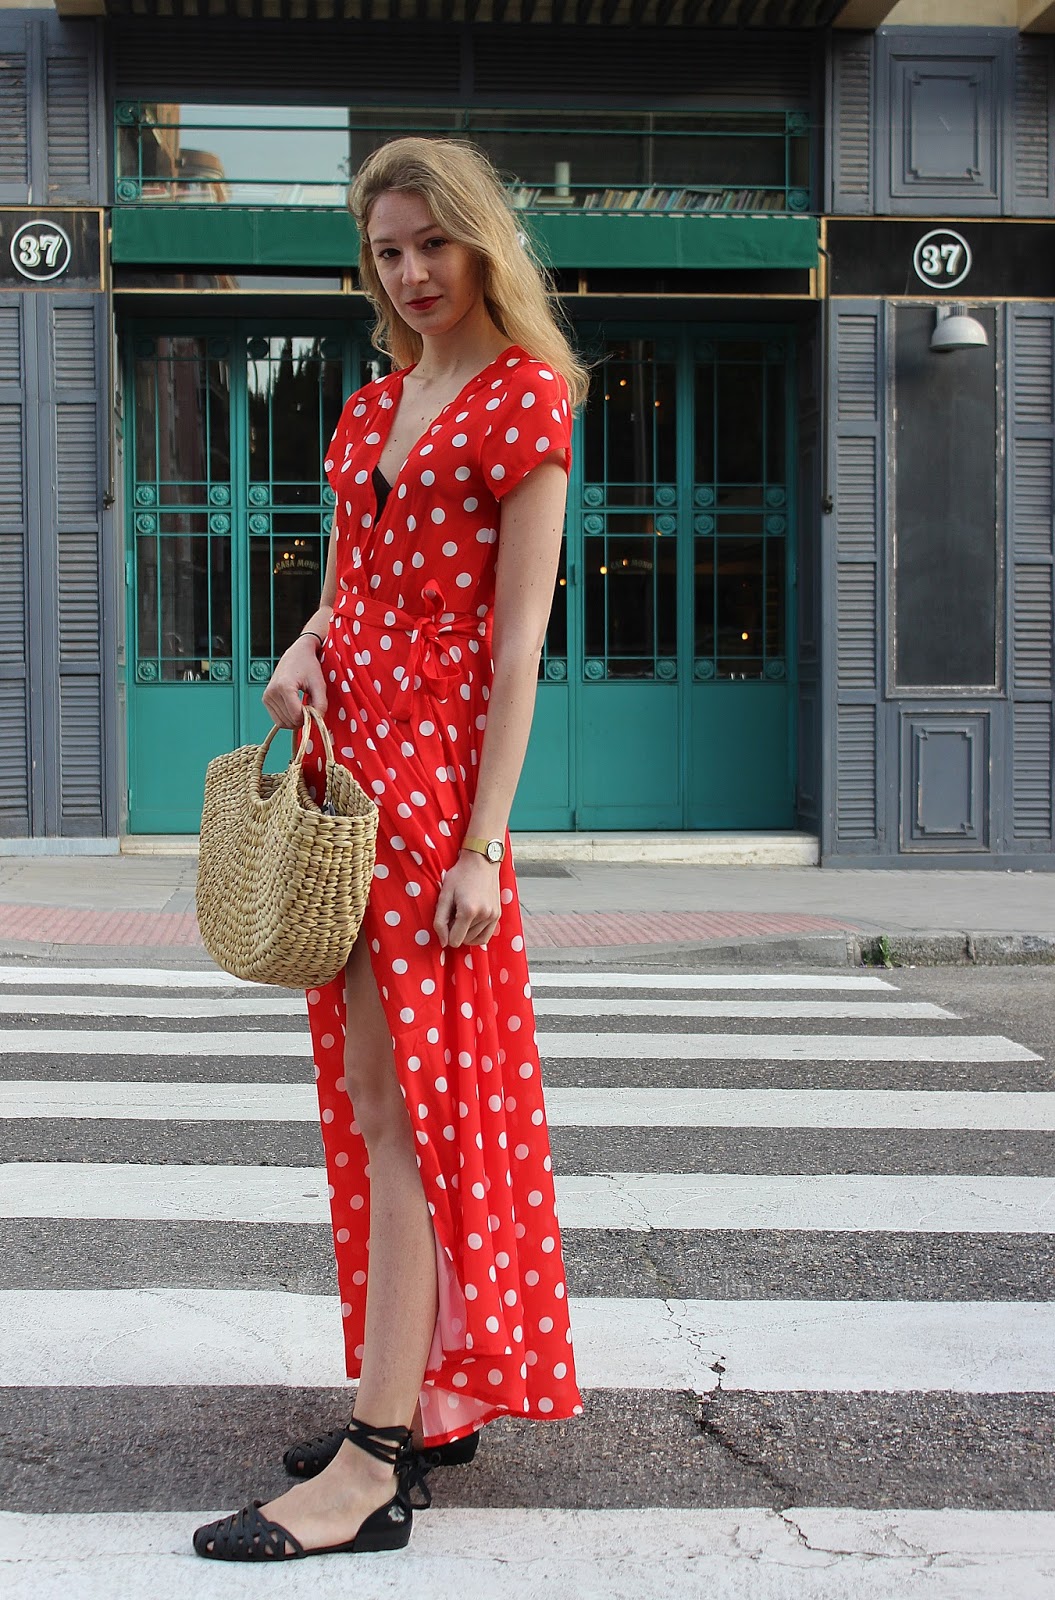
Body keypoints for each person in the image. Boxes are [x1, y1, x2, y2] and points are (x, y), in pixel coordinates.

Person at [193, 135, 588, 1564]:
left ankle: (373, 1463)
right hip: (343, 767)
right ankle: (423, 1395)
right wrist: (300, 648)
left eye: (433, 243)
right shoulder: (366, 409)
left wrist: (484, 847)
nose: (412, 273)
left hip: (431, 795)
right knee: (372, 1106)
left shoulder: (526, 403)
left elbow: (523, 640)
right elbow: (344, 585)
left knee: (404, 1111)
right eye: (388, 252)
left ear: (484, 243)